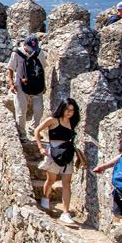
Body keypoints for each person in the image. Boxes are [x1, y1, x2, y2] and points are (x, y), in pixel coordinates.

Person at [34, 97, 80, 226]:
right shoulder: (53, 120)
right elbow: (37, 130)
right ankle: (46, 197)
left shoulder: (72, 122)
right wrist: (40, 147)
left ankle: (65, 213)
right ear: (62, 108)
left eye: (72, 110)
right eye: (67, 109)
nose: (69, 112)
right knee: (51, 180)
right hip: (53, 153)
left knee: (67, 183)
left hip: (67, 154)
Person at [8, 34, 46, 136]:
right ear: (25, 45)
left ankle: (34, 129)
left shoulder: (39, 53)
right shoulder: (16, 53)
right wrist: (11, 84)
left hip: (37, 84)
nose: (31, 50)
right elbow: (10, 68)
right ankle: (22, 133)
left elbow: (42, 69)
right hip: (20, 84)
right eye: (29, 48)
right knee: (21, 110)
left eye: (33, 48)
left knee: (39, 109)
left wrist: (44, 85)